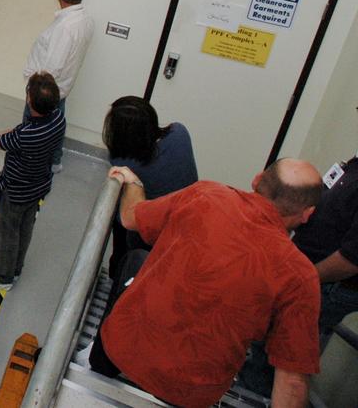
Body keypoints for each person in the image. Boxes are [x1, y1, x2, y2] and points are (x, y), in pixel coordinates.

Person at [92, 160, 323, 408]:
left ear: (257, 180)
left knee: (135, 260)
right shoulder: (300, 276)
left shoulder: (205, 195)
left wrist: (133, 181)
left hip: (120, 352)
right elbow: (292, 380)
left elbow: (129, 217)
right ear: (307, 214)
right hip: (188, 392)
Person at [239, 150, 358, 396]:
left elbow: (352, 259)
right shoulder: (354, 166)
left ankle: (254, 393)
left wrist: (304, 278)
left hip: (330, 282)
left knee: (279, 346)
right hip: (305, 269)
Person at [0, 72, 65, 289]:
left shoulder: (25, 134)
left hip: (14, 192)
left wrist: (15, 129)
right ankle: (15, 266)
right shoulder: (59, 119)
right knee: (25, 227)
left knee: (7, 230)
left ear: (29, 100)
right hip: (37, 187)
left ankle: (2, 275)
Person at [101, 96, 198, 275]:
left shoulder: (127, 164)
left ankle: (118, 272)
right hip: (190, 226)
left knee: (120, 222)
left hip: (151, 239)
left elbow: (125, 218)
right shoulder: (179, 133)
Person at [23, 0, 93, 172]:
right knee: (57, 123)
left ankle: (31, 162)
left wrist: (33, 92)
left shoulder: (64, 28)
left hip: (46, 91)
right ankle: (55, 160)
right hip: (64, 86)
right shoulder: (85, 20)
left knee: (33, 129)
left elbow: (52, 68)